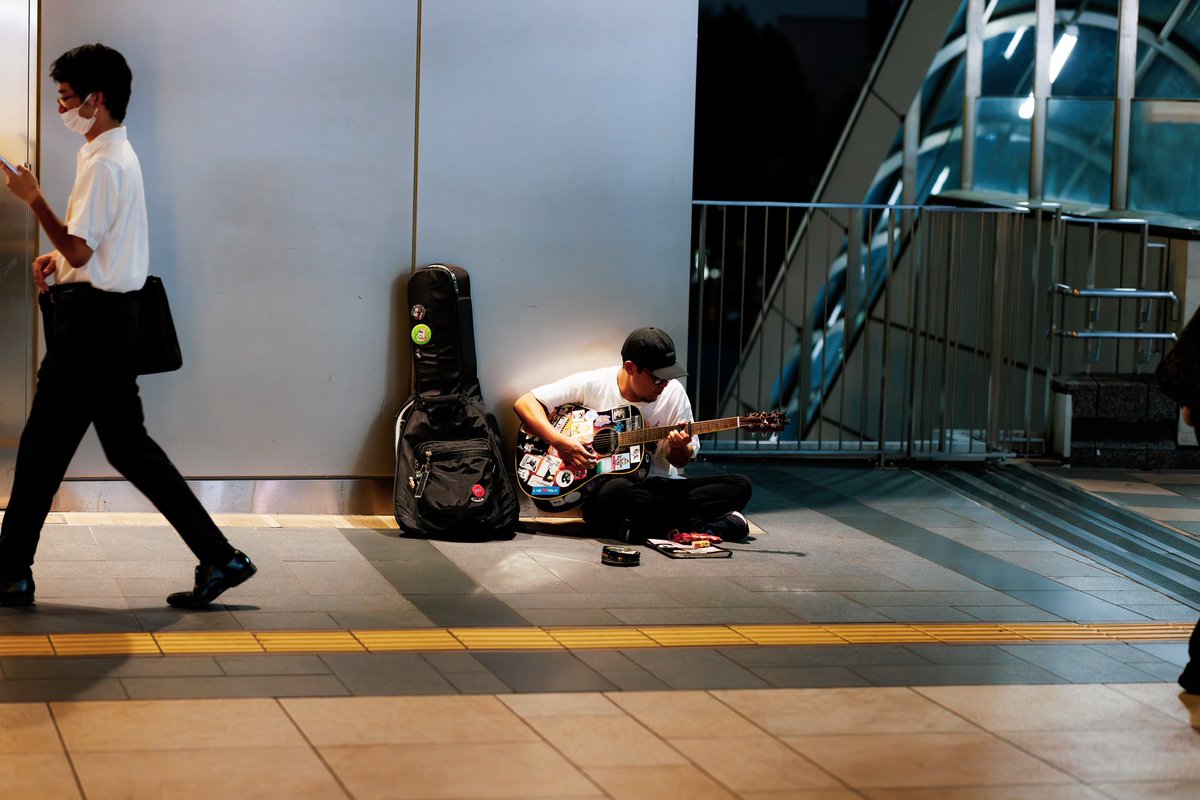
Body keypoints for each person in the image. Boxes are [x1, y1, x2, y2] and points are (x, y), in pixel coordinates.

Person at [0, 43, 255, 609]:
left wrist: (33, 199)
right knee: (127, 447)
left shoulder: (107, 162)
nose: (61, 106)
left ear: (96, 99)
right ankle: (221, 558)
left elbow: (84, 252)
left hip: (92, 326)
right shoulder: (109, 154)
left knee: (43, 445)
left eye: (66, 97)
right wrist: (56, 262)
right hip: (112, 319)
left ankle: (10, 572)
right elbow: (86, 250)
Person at [513, 326, 752, 542]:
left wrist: (678, 447)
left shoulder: (673, 394)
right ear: (630, 368)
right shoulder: (595, 383)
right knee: (614, 493)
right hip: (610, 492)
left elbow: (679, 461)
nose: (664, 385)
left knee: (740, 486)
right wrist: (561, 442)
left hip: (659, 488)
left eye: (669, 377)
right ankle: (706, 525)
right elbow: (525, 403)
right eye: (658, 378)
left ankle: (647, 527)